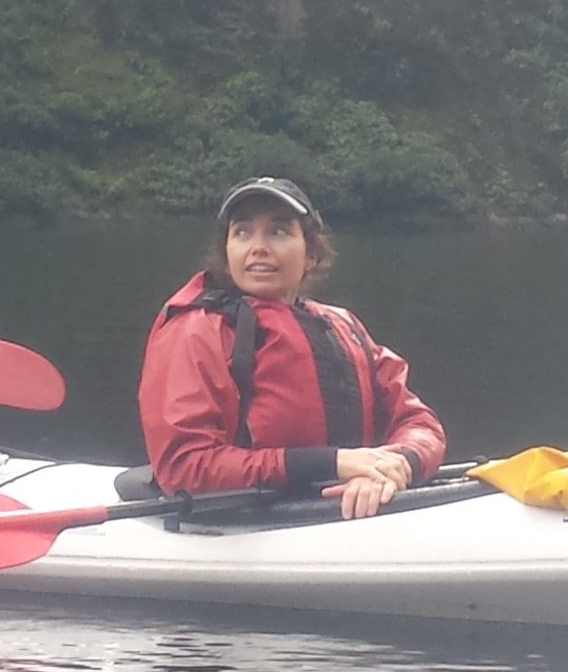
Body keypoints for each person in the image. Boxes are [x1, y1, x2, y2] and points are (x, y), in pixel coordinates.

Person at [138, 176, 447, 519]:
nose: (258, 247)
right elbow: (184, 469)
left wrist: (394, 467)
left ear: (311, 255)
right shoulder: (198, 329)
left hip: (345, 508)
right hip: (243, 523)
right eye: (242, 232)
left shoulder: (343, 325)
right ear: (227, 254)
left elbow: (420, 423)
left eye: (278, 232)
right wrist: (333, 463)